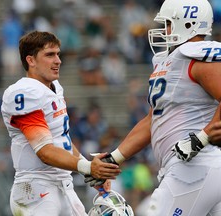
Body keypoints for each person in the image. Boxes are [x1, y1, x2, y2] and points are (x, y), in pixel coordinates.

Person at [87, 0, 221, 215]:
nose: (164, 30)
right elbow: (153, 120)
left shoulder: (198, 56)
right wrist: (114, 158)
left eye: (168, 23)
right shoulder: (170, 60)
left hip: (195, 167)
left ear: (188, 24)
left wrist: (202, 137)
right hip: (188, 169)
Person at [0, 30, 120, 216]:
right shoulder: (23, 92)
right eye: (49, 55)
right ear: (30, 60)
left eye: (58, 54)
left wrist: (89, 170)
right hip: (36, 189)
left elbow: (60, 139)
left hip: (62, 184)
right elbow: (45, 151)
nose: (58, 60)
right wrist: (88, 167)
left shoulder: (54, 88)